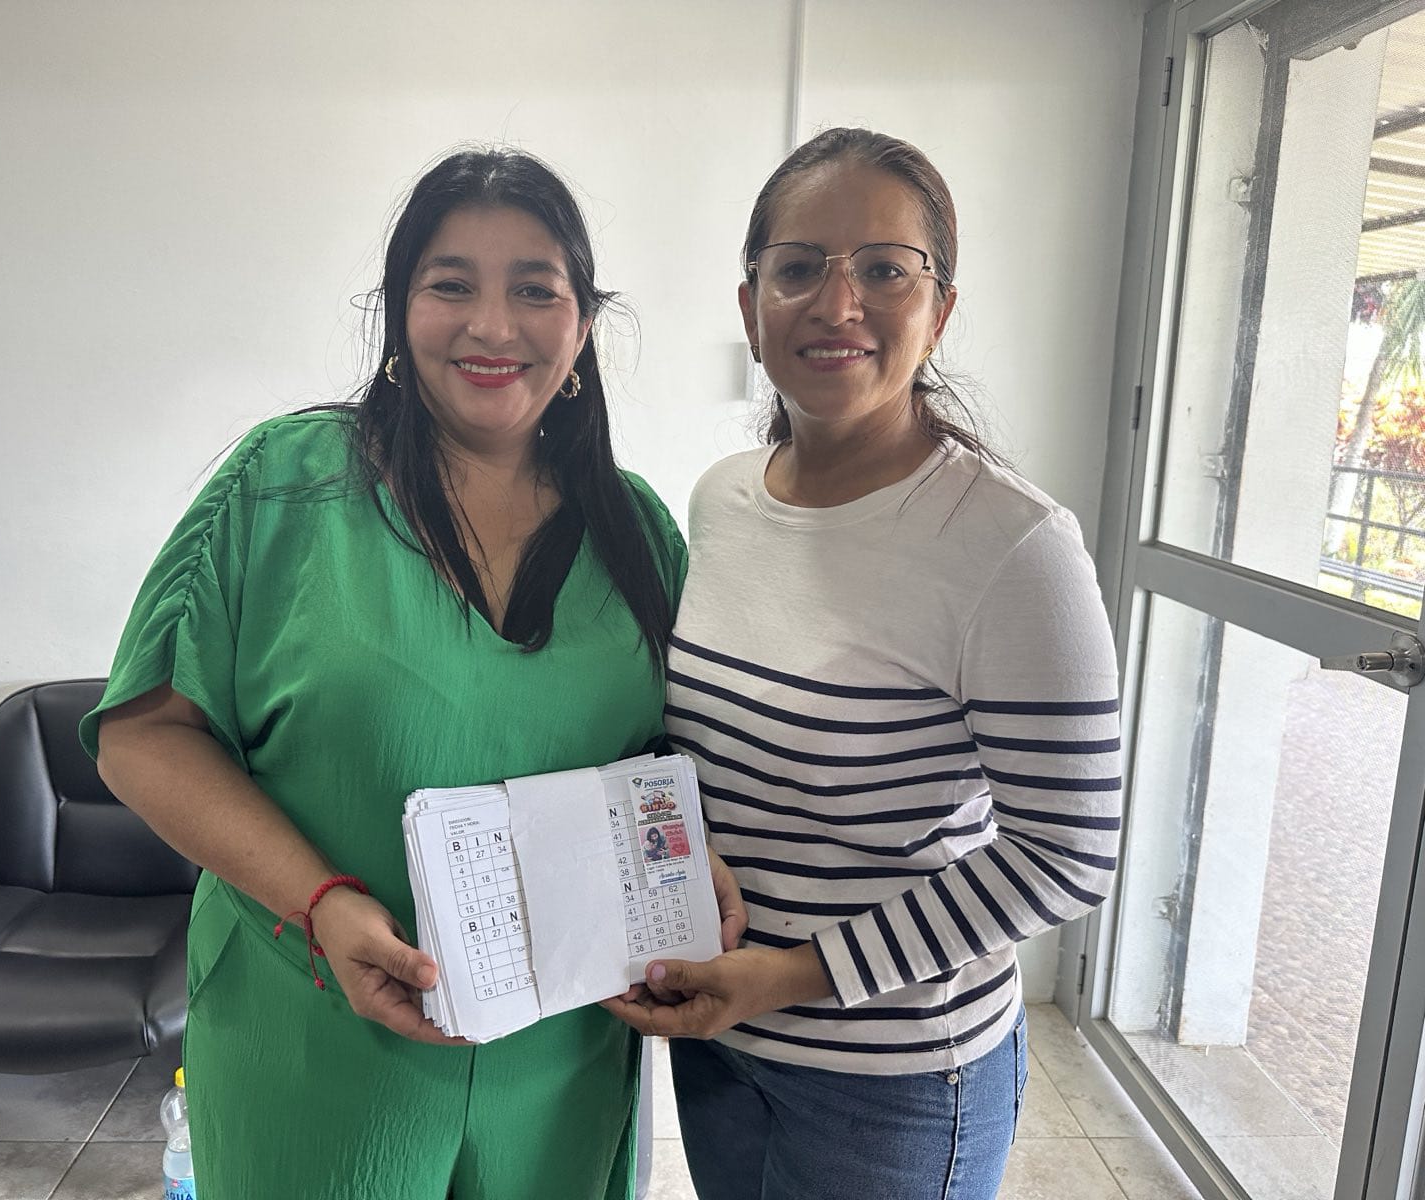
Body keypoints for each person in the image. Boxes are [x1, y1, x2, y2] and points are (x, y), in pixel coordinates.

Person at [82, 148, 725, 1200]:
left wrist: (693, 869)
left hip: (561, 1060)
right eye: (450, 285)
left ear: (583, 327)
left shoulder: (638, 532)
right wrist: (322, 904)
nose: (492, 326)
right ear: (398, 312)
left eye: (535, 290)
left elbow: (664, 762)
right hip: (315, 1033)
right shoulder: (284, 487)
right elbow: (143, 736)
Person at [603, 128, 1123, 1199]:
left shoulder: (1012, 545)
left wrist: (792, 976)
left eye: (885, 269)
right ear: (751, 308)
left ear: (939, 311)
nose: (837, 304)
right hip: (720, 1042)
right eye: (798, 267)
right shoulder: (722, 498)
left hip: (893, 1082)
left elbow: (1067, 854)